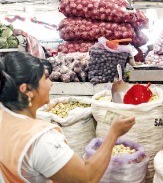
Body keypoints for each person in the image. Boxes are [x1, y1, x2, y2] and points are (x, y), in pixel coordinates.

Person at [0, 52, 135, 183]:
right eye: (45, 78)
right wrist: (114, 133)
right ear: (27, 90)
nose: (51, 83)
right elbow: (87, 177)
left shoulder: (4, 116)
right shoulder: (41, 140)